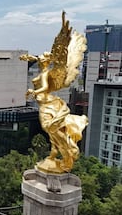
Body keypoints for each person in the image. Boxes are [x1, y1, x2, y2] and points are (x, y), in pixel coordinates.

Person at [20, 13, 88, 173]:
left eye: (42, 58)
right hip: (47, 104)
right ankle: (54, 154)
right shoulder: (44, 68)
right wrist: (27, 58)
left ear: (46, 61)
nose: (40, 59)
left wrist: (33, 91)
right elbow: (36, 58)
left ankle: (67, 152)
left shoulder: (46, 74)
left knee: (51, 128)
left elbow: (44, 87)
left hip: (48, 105)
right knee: (52, 131)